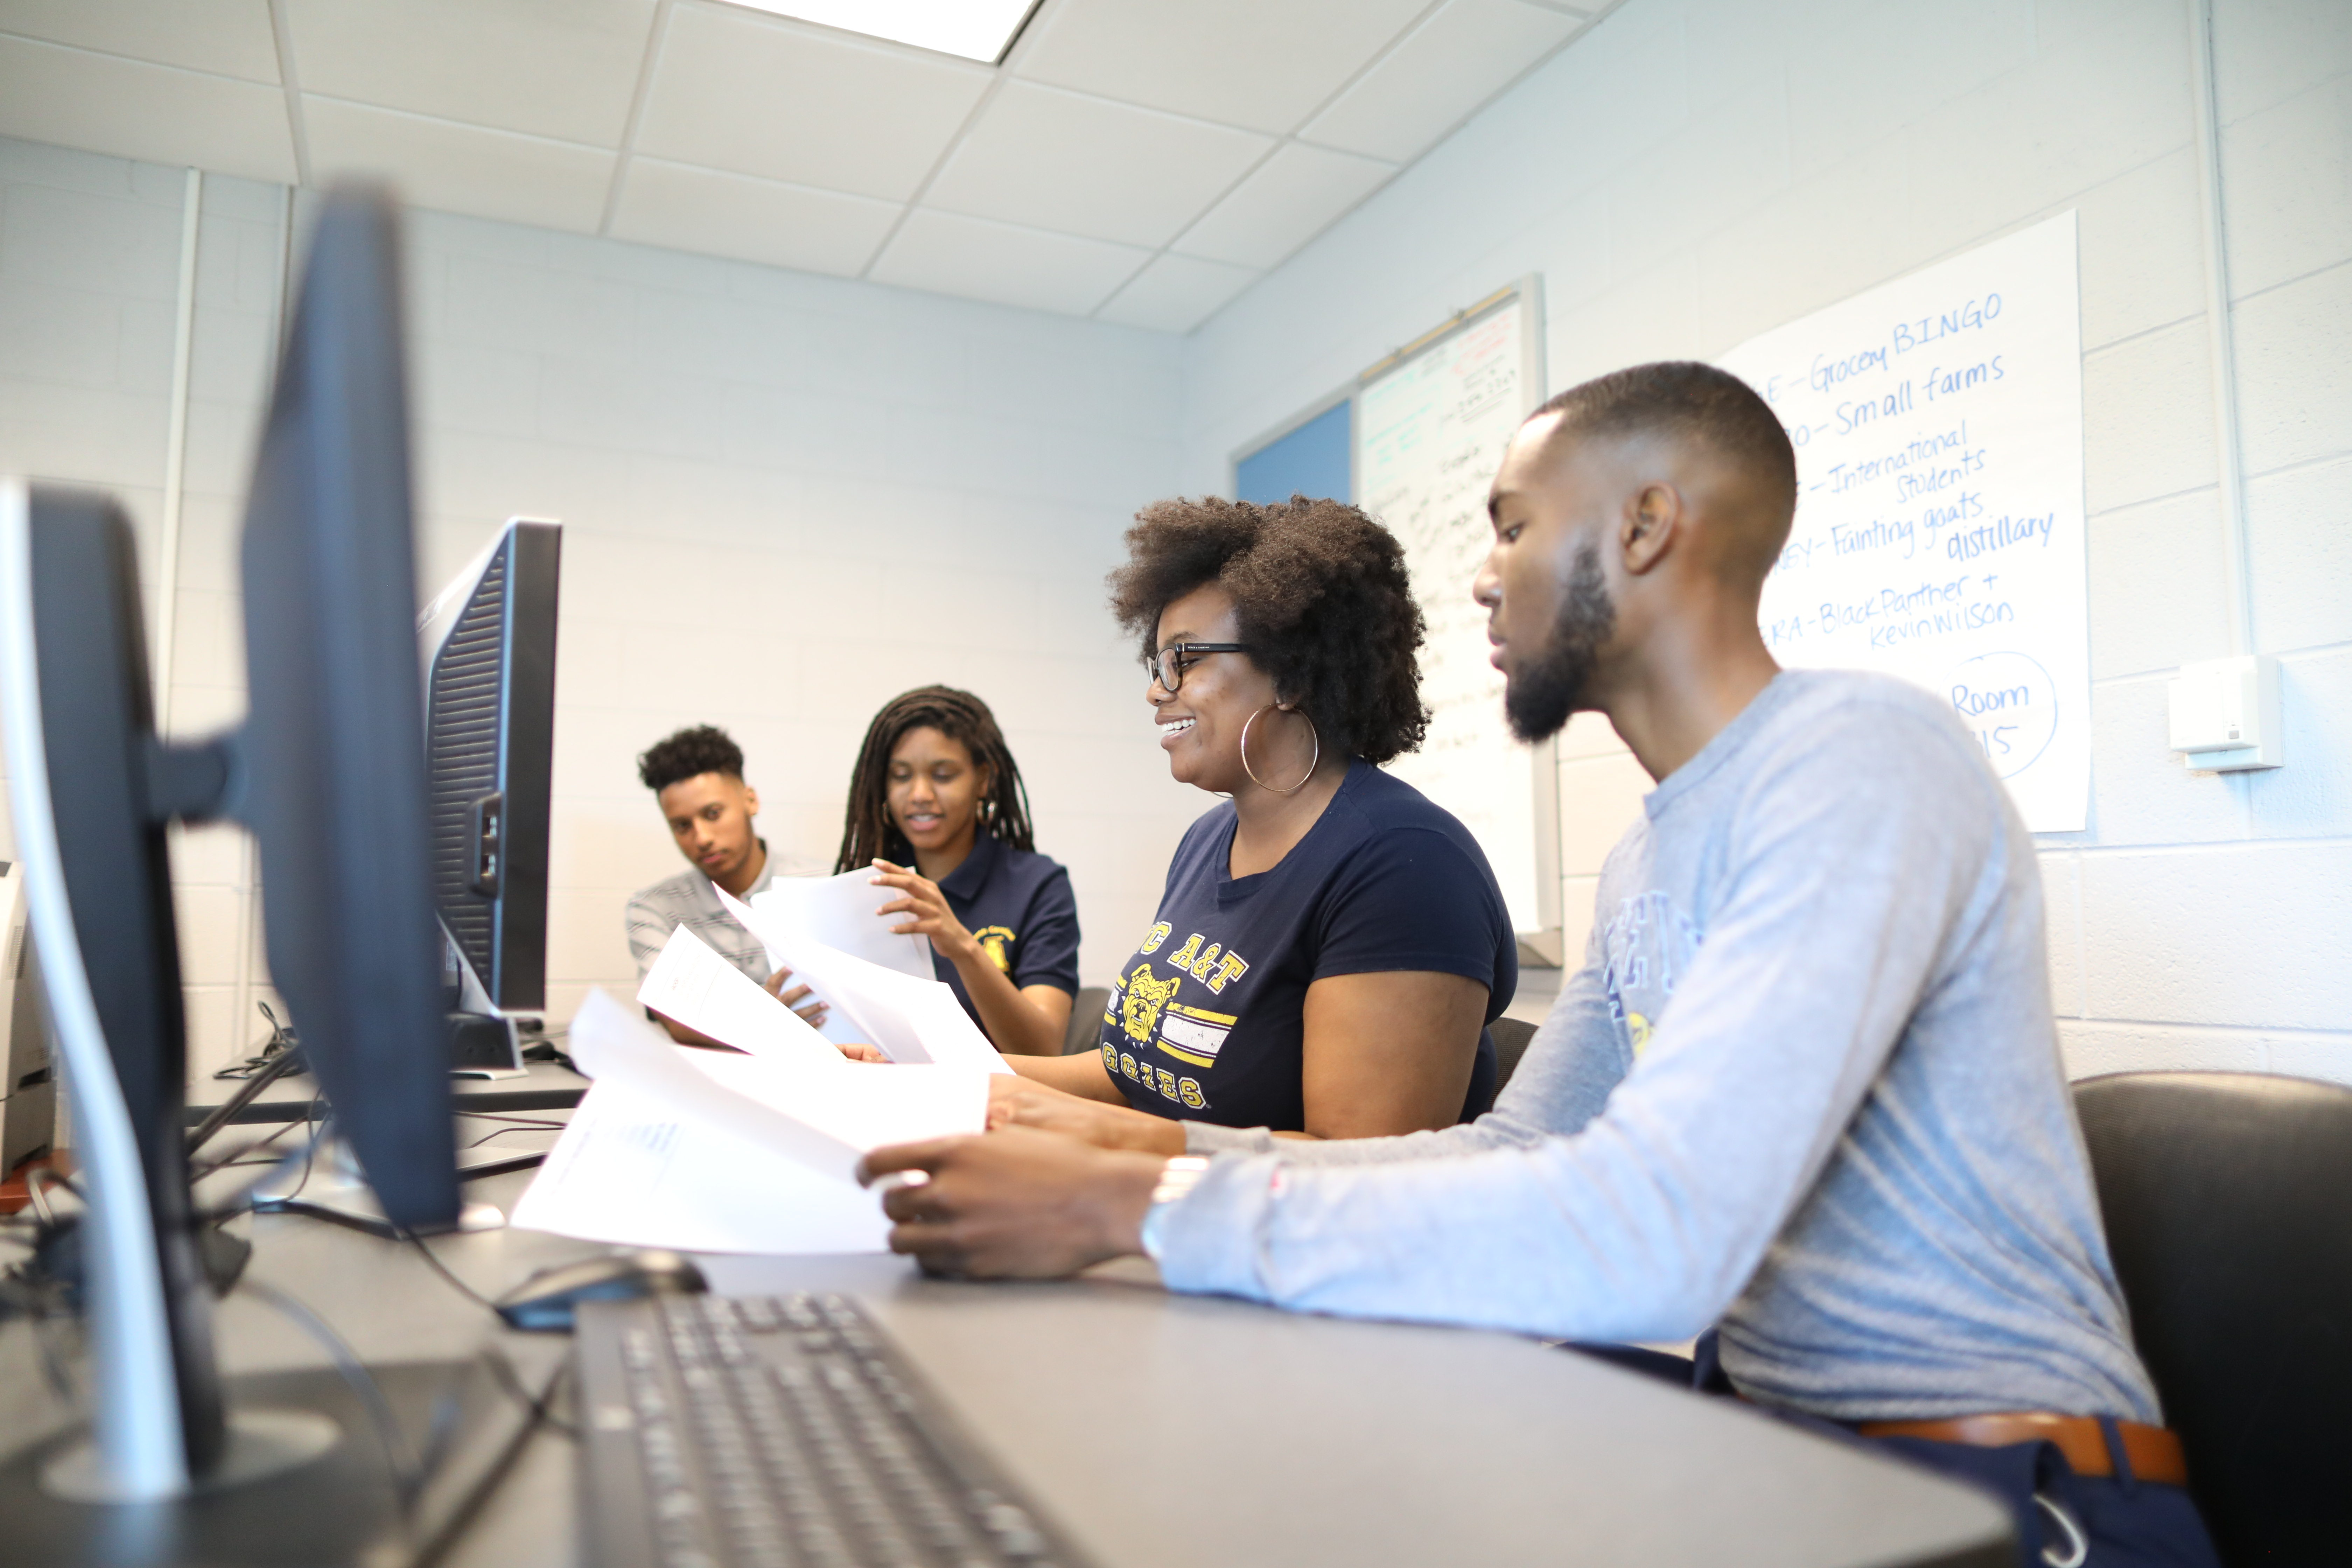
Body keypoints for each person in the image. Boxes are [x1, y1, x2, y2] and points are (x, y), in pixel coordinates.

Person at [858, 364, 2218, 1567]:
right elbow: (1516, 1148)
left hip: (2000, 1487)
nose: (1481, 574)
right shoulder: (1645, 858)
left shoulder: (1863, 755)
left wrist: (1135, 1212)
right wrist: (1144, 1168)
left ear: (1643, 524)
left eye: (1513, 524)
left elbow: (1661, 1233)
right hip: (1777, 1458)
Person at [980, 496, 1516, 1146]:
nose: (1157, 688)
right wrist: (931, 1076)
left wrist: (1093, 1138)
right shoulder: (1207, 840)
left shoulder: (1407, 864)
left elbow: (1360, 1169)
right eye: (1158, 664)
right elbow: (1140, 1076)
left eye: (1186, 658)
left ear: (1291, 674)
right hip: (1173, 1207)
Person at [830, 687, 1079, 1058]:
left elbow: (1043, 1048)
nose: (919, 794)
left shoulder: (1038, 886)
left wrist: (964, 948)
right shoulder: (866, 885)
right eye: (900, 776)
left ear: (983, 780)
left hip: (988, 1105)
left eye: (943, 775)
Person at [625, 724, 824, 1045]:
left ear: (751, 801)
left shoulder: (823, 885)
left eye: (713, 814)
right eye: (682, 826)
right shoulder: (653, 909)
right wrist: (764, 1023)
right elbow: (676, 1021)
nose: (702, 838)